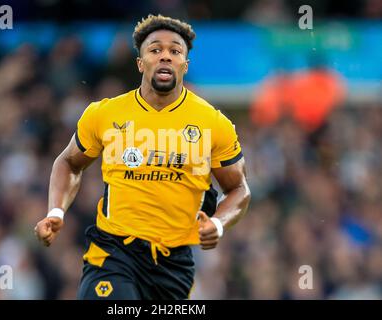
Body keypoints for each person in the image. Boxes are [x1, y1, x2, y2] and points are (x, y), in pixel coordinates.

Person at [34, 14, 251, 300]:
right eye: (155, 50)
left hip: (174, 264)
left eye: (175, 51)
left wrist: (219, 223)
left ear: (185, 65)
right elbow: (69, 162)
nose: (165, 56)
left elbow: (238, 188)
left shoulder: (213, 124)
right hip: (114, 252)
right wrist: (55, 212)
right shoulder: (105, 114)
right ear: (140, 63)